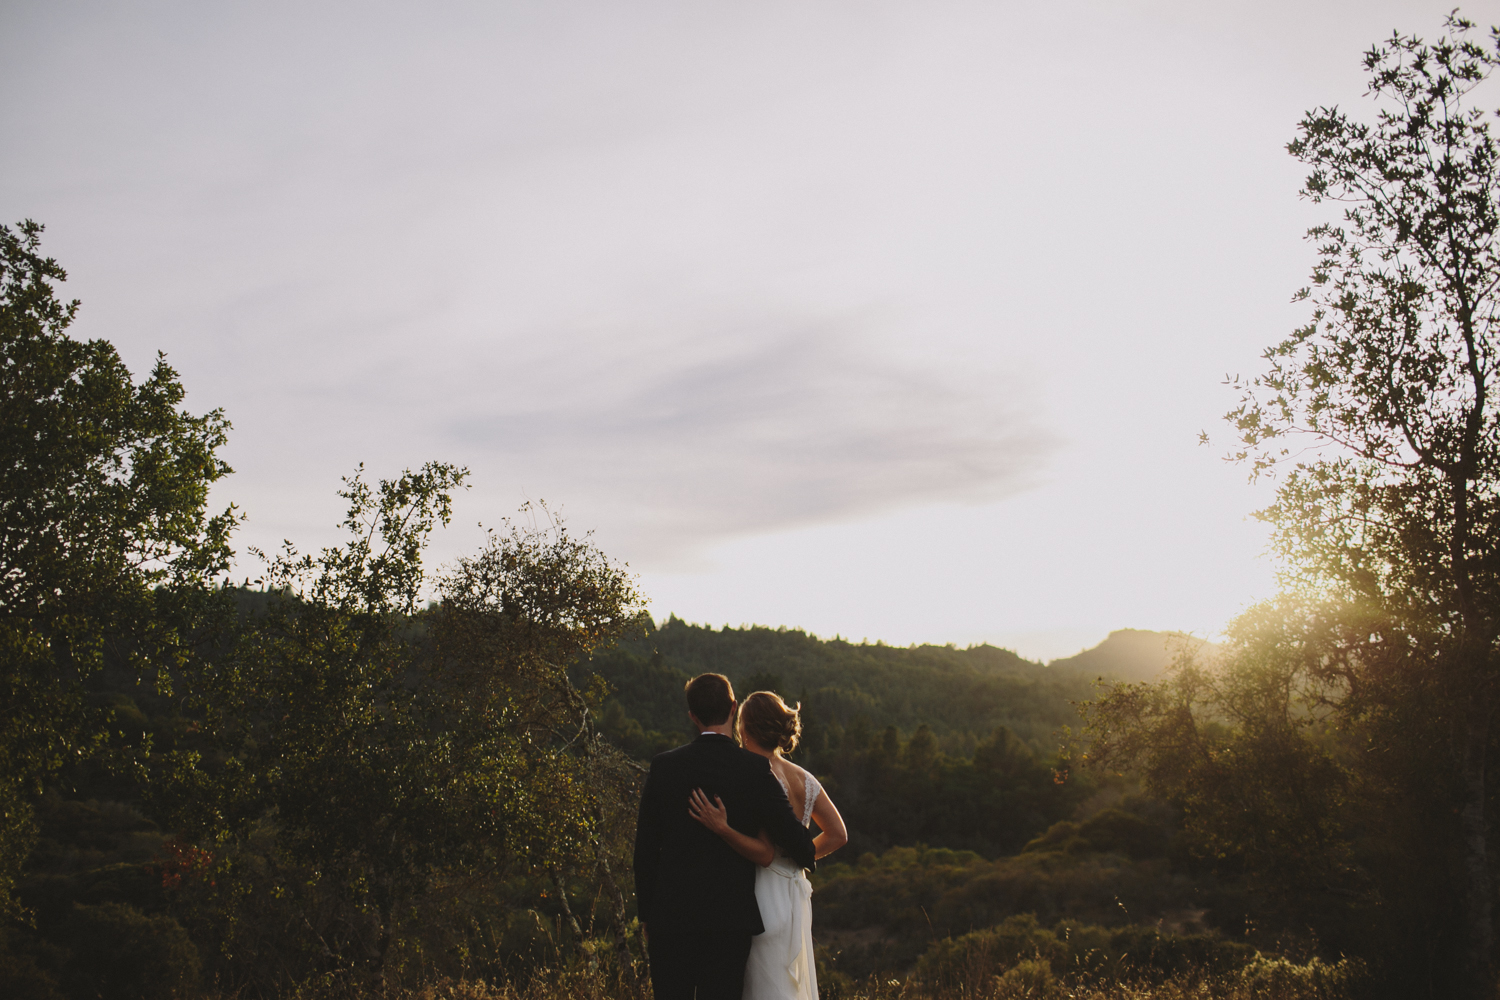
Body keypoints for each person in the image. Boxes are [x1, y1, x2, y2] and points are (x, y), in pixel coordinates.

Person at [633, 674, 817, 1000]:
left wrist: (648, 915)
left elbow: (645, 850)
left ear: (692, 715)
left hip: (670, 919)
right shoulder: (755, 770)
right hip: (729, 925)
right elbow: (799, 844)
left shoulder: (664, 766)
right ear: (733, 708)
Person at [688, 691, 848, 1000]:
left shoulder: (753, 775)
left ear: (745, 729)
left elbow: (764, 850)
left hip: (761, 890)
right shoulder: (804, 778)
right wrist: (796, 858)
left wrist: (723, 829)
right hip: (795, 892)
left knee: (760, 984)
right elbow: (838, 834)